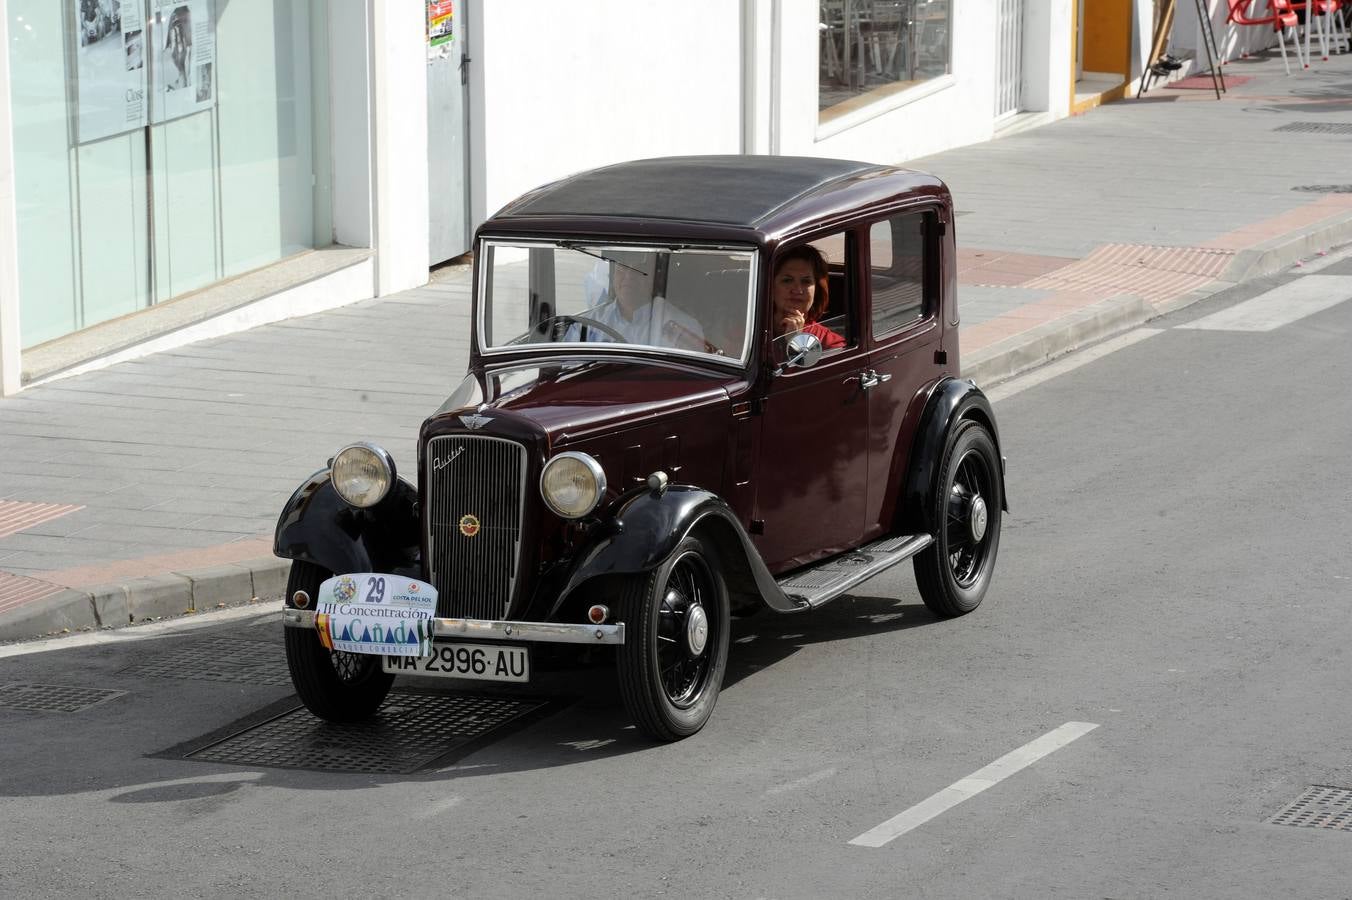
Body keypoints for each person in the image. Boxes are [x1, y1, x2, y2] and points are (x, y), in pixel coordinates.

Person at [568, 250, 706, 350]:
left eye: (639, 271)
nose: (628, 277)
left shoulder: (685, 328)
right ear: (613, 276)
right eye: (622, 269)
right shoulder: (585, 325)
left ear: (654, 279)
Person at [771, 244, 846, 351]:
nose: (798, 290)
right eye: (787, 280)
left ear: (817, 289)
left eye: (806, 281)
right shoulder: (749, 329)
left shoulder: (829, 343)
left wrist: (796, 342)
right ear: (771, 286)